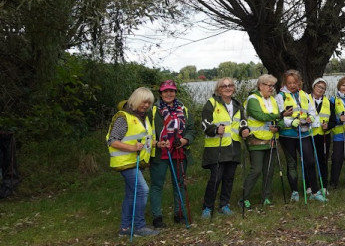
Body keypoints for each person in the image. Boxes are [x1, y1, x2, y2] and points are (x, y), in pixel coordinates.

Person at [106, 87, 157, 237]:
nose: (146, 105)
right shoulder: (123, 117)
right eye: (143, 102)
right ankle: (139, 227)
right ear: (135, 100)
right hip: (125, 162)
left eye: (149, 103)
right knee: (142, 190)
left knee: (131, 194)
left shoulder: (143, 117)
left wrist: (157, 144)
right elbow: (113, 141)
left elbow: (143, 140)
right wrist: (132, 147)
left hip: (135, 161)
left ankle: (125, 229)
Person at [200, 77, 251, 217]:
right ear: (219, 89)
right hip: (217, 148)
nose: (228, 88)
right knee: (215, 178)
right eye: (224, 86)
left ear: (234, 88)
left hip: (233, 147)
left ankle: (224, 205)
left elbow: (242, 124)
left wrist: (245, 131)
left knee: (229, 178)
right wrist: (215, 130)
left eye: (230, 85)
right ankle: (207, 208)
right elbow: (204, 124)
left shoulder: (237, 105)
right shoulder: (211, 103)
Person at [148, 80, 193, 228]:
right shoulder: (153, 111)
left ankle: (179, 214)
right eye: (165, 91)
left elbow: (191, 130)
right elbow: (145, 132)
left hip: (178, 151)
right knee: (157, 185)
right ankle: (157, 217)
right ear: (160, 93)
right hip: (160, 153)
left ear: (175, 92)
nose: (169, 94)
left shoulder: (183, 109)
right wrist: (156, 143)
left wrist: (185, 140)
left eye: (172, 91)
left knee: (179, 184)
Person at [278, 70, 326, 202]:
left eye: (295, 82)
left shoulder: (304, 94)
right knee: (292, 163)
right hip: (288, 134)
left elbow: (312, 111)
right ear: (285, 83)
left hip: (304, 132)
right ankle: (294, 192)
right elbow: (279, 115)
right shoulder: (280, 96)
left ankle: (314, 192)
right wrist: (290, 122)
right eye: (289, 83)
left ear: (299, 82)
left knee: (310, 161)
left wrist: (311, 117)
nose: (292, 85)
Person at [243, 74, 290, 208]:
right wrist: (280, 115)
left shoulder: (273, 100)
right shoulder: (253, 99)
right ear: (260, 85)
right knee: (256, 170)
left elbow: (280, 119)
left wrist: (278, 126)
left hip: (271, 139)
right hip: (256, 140)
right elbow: (260, 116)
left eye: (272, 86)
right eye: (268, 85)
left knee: (269, 170)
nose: (271, 88)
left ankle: (266, 197)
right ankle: (244, 197)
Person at [308, 78, 333, 190]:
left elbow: (334, 120)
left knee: (323, 160)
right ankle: (309, 186)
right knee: (309, 161)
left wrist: (328, 126)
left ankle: (324, 186)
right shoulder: (305, 99)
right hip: (308, 135)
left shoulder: (328, 102)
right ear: (314, 87)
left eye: (323, 88)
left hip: (323, 136)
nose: (320, 89)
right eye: (318, 86)